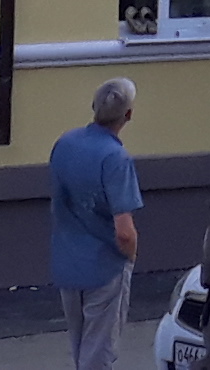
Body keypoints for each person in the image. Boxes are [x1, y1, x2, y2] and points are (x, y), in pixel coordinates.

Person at [48, 76, 145, 370]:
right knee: (99, 352)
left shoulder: (65, 143)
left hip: (67, 261)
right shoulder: (116, 158)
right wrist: (130, 258)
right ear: (128, 115)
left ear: (94, 106)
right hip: (104, 267)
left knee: (81, 347)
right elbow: (124, 232)